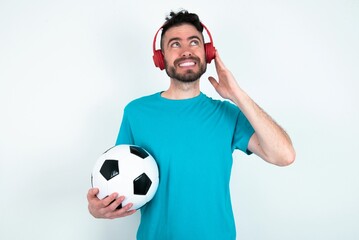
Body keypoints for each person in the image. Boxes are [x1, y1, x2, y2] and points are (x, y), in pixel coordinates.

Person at [87, 9, 295, 240]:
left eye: (194, 42)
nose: (186, 50)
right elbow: (119, 185)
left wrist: (237, 94)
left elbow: (284, 155)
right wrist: (98, 208)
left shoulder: (227, 113)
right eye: (175, 44)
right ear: (161, 58)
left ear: (207, 53)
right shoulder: (136, 113)